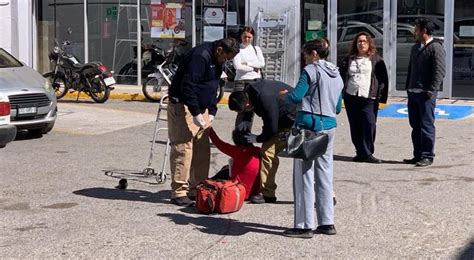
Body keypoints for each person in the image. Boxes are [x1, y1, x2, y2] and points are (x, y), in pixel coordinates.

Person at [280, 38, 343, 238]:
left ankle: (303, 224)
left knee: (303, 176)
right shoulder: (337, 75)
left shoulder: (311, 71)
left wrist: (285, 96)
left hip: (309, 127)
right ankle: (327, 222)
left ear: (314, 54)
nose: (305, 59)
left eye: (306, 55)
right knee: (325, 174)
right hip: (329, 127)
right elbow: (338, 107)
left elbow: (297, 96)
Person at [167, 38, 240, 206]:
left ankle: (197, 187)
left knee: (202, 149)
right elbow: (188, 86)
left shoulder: (218, 59)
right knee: (183, 148)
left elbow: (212, 85)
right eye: (226, 58)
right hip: (184, 104)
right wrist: (195, 112)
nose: (226, 61)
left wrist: (211, 111)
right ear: (220, 50)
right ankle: (179, 191)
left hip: (202, 107)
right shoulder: (200, 56)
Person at [228, 80, 296, 204]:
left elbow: (272, 126)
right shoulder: (249, 91)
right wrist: (246, 119)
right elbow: (258, 112)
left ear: (247, 103)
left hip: (292, 120)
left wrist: (258, 138)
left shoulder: (265, 98)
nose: (244, 111)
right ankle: (327, 193)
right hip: (281, 117)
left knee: (268, 152)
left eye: (243, 110)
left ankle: (268, 194)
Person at [340, 32, 389, 163]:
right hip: (351, 96)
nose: (362, 44)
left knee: (369, 124)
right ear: (355, 44)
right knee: (355, 125)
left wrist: (380, 97)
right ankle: (360, 152)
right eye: (359, 41)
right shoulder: (349, 59)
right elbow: (342, 76)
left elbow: (383, 79)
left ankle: (368, 152)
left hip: (369, 97)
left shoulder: (376, 59)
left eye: (364, 41)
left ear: (369, 44)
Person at [404, 18, 446, 167]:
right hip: (413, 92)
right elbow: (411, 69)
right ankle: (418, 154)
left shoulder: (436, 47)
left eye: (417, 29)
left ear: (424, 31)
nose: (415, 32)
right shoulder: (415, 47)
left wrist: (430, 90)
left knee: (426, 125)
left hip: (425, 94)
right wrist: (408, 87)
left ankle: (428, 155)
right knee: (415, 125)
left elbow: (440, 71)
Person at [208, 128, 261, 199]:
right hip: (254, 192)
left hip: (238, 191)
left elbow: (219, 143)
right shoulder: (258, 151)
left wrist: (209, 129)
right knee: (228, 168)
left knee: (225, 171)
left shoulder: (237, 150)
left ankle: (209, 181)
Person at [232, 26, 265, 91]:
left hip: (256, 81)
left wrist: (247, 63)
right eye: (245, 37)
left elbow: (262, 64)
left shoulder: (256, 49)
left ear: (252, 37)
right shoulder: (237, 49)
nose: (247, 39)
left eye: (249, 37)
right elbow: (237, 66)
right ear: (241, 36)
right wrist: (253, 69)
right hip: (241, 81)